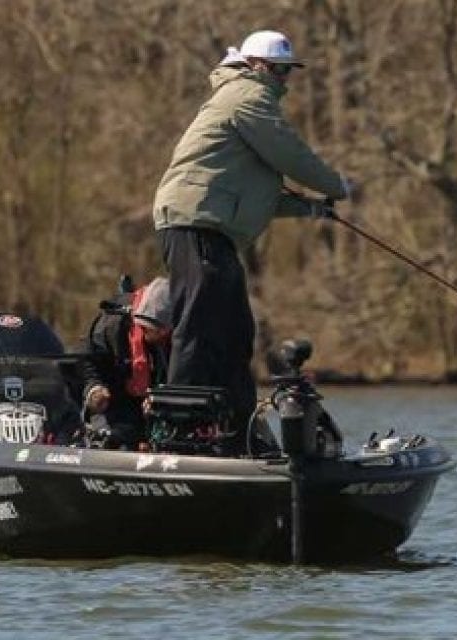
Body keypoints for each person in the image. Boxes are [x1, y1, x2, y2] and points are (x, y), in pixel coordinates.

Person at [152, 29, 349, 454]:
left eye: (288, 71)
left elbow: (259, 194)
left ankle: (238, 432)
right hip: (194, 224)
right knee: (199, 328)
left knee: (237, 332)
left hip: (211, 230)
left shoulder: (248, 105)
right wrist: (337, 186)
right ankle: (176, 431)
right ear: (257, 65)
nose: (285, 79)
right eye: (279, 70)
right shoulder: (246, 96)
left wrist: (313, 208)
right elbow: (291, 155)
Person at [80, 277, 173, 449]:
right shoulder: (111, 327)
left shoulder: (181, 337)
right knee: (110, 439)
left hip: (158, 412)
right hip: (115, 404)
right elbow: (89, 362)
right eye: (149, 330)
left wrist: (162, 401)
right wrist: (94, 388)